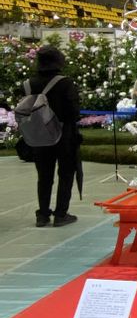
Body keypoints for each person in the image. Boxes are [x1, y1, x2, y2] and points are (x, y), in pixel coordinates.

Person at [27, 46, 81, 228]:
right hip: (63, 136)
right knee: (66, 174)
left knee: (44, 176)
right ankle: (60, 214)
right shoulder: (65, 83)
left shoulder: (29, 84)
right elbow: (73, 112)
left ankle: (42, 215)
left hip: (38, 137)